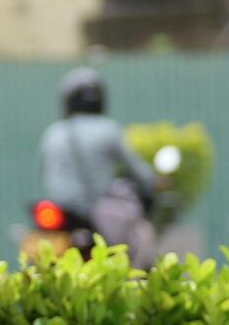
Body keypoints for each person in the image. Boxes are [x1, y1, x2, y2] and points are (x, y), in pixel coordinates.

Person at [36, 67, 159, 265]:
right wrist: (153, 182)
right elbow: (139, 172)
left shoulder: (53, 133)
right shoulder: (109, 130)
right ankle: (134, 284)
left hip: (59, 213)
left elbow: (43, 171)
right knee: (141, 237)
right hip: (96, 214)